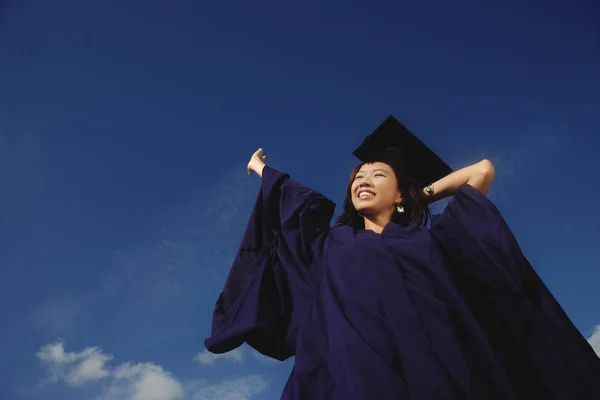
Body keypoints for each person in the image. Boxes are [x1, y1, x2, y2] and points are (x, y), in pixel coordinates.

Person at [205, 116, 600, 399]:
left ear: (399, 194)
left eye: (378, 175)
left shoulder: (434, 240)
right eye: (358, 177)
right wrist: (261, 170)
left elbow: (481, 171)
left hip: (445, 373)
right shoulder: (331, 244)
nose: (363, 179)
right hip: (354, 377)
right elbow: (292, 205)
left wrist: (416, 197)